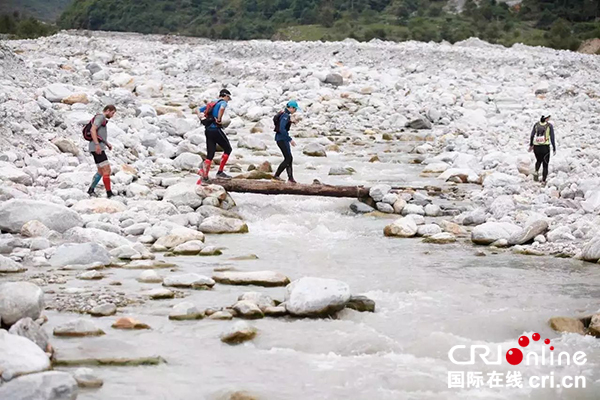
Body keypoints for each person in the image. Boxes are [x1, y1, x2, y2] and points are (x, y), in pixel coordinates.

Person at [196, 89, 233, 184]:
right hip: (215, 129)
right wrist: (219, 119)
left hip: (207, 130)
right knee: (228, 149)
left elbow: (198, 110)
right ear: (225, 96)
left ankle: (205, 176)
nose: (228, 100)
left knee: (210, 154)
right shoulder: (223, 103)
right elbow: (222, 108)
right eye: (228, 98)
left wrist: (201, 117)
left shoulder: (212, 103)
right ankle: (220, 172)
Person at [87, 105, 117, 198]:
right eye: (112, 113)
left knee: (100, 170)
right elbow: (93, 130)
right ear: (107, 110)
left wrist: (107, 144)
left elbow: (99, 134)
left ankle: (91, 190)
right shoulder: (100, 117)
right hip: (97, 148)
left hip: (97, 147)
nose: (112, 115)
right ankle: (109, 193)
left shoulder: (102, 118)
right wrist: (97, 145)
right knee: (107, 169)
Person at [273, 100, 299, 184]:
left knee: (289, 158)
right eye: (295, 109)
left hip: (281, 139)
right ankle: (276, 176)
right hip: (282, 139)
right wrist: (289, 139)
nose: (295, 111)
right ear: (291, 108)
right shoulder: (285, 115)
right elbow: (282, 129)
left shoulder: (284, 113)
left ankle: (291, 178)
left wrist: (291, 122)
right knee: (288, 158)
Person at [529, 115, 556, 184]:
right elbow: (552, 137)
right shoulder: (549, 126)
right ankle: (544, 180)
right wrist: (554, 148)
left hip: (536, 147)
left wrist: (531, 145)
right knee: (545, 164)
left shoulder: (536, 124)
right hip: (545, 147)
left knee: (538, 160)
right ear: (546, 118)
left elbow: (532, 135)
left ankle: (536, 172)